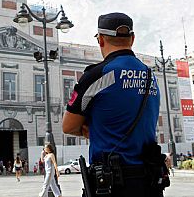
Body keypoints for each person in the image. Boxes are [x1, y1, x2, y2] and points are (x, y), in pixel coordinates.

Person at [62, 12, 163, 197]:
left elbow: (68, 126)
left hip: (113, 185)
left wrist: (93, 128)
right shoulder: (151, 76)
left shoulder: (97, 75)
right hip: (150, 183)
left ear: (100, 40)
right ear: (132, 39)